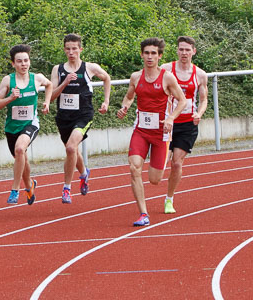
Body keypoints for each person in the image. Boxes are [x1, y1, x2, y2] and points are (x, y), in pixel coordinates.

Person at [116, 38, 187, 227]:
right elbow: (129, 97)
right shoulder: (135, 77)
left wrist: (171, 118)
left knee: (155, 180)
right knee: (134, 168)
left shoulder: (167, 77)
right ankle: (143, 213)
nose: (149, 57)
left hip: (160, 134)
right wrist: (124, 107)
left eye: (153, 53)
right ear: (141, 54)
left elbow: (182, 100)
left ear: (159, 56)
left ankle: (160, 164)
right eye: (146, 53)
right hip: (140, 130)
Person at [46, 34, 112, 204]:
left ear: (80, 49)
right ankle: (84, 174)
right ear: (64, 50)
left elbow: (107, 79)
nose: (71, 52)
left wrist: (106, 101)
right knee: (72, 150)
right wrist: (65, 82)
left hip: (83, 114)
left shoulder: (89, 68)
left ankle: (66, 188)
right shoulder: (57, 69)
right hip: (64, 116)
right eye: (68, 49)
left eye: (74, 48)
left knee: (70, 148)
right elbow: (52, 96)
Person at [0, 44, 52, 204]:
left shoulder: (37, 78)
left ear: (29, 62)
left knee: (20, 149)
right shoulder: (7, 81)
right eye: (19, 61)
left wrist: (47, 102)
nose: (23, 64)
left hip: (30, 123)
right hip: (12, 127)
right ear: (13, 64)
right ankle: (30, 184)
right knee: (21, 157)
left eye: (26, 60)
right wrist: (10, 98)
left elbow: (49, 85)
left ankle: (14, 189)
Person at [161, 36, 208, 214]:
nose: (184, 53)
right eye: (181, 49)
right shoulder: (166, 69)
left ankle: (169, 199)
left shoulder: (200, 75)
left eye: (187, 50)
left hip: (187, 123)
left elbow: (203, 100)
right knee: (159, 166)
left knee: (176, 163)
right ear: (177, 51)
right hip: (167, 122)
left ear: (193, 52)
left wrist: (199, 113)